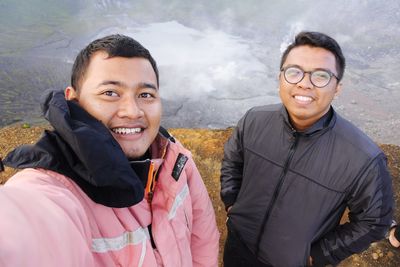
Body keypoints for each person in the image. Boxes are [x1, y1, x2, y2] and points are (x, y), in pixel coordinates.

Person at [0, 34, 219, 266]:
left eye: (146, 95)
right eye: (110, 93)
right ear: (73, 100)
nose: (132, 111)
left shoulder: (175, 161)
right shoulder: (51, 189)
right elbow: (23, 230)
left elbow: (202, 241)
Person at [220, 31, 393, 267]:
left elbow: (375, 221)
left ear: (338, 87)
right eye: (294, 72)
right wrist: (231, 201)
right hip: (238, 248)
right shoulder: (254, 120)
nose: (304, 83)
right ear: (280, 77)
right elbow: (233, 160)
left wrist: (318, 255)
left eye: (320, 76)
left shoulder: (363, 158)